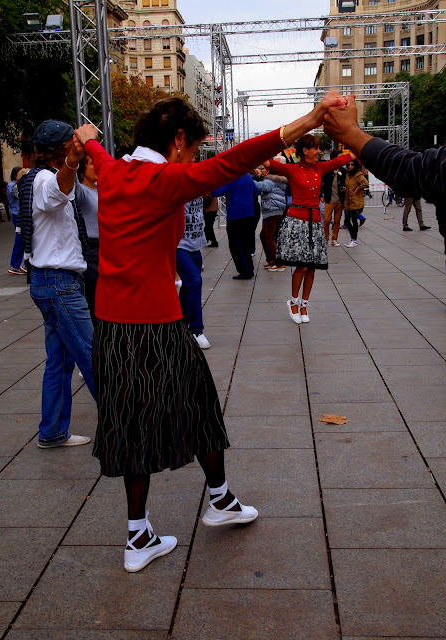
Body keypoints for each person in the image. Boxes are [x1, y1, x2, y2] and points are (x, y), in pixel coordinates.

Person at [73, 91, 348, 572]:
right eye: (194, 147)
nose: (195, 156)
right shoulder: (164, 178)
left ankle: (141, 534)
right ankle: (217, 503)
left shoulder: (114, 169)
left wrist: (89, 139)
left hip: (112, 326)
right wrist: (307, 120)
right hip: (157, 325)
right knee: (199, 407)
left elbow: (94, 147)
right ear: (178, 139)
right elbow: (234, 161)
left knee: (127, 426)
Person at [17, 119, 95, 449]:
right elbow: (57, 192)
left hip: (50, 281)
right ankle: (129, 427)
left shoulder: (38, 178)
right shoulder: (45, 179)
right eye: (72, 145)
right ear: (63, 149)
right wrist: (75, 160)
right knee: (93, 357)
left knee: (60, 362)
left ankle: (52, 431)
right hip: (58, 283)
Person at [323, 95, 443, 250]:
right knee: (332, 220)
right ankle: (405, 223)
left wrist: (350, 134)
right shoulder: (337, 171)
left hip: (348, 201)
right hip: (338, 201)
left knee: (346, 219)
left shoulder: (351, 172)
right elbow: (415, 169)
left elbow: (412, 169)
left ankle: (346, 236)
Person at [266, 134, 352, 324]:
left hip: (315, 223)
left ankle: (305, 304)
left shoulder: (320, 168)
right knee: (302, 265)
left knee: (312, 267)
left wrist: (361, 147)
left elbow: (344, 158)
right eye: (316, 148)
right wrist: (272, 143)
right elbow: (267, 163)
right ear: (305, 151)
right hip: (297, 222)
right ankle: (294, 301)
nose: (319, 152)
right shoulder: (292, 169)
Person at [176, 197, 210, 349]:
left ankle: (180, 326)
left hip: (195, 245)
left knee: (188, 286)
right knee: (195, 281)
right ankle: (196, 330)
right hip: (179, 245)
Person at [211, 174, 260, 279]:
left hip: (235, 215)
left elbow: (216, 192)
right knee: (246, 244)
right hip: (249, 213)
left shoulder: (231, 177)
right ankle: (249, 268)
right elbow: (256, 191)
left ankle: (244, 270)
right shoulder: (247, 176)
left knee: (236, 245)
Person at [76, 154, 100, 319]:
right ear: (83, 170)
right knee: (95, 294)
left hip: (105, 247)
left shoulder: (98, 188)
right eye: (92, 164)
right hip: (91, 249)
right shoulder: (82, 191)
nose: (96, 167)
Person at [256, 160, 288, 271]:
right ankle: (271, 260)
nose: (261, 171)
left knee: (269, 237)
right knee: (263, 235)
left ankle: (278, 263)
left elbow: (262, 187)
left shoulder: (269, 180)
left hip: (273, 210)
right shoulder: (275, 181)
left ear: (269, 171)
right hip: (275, 210)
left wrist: (248, 181)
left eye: (263, 169)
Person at [321, 149, 346, 247]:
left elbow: (344, 183)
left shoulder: (343, 171)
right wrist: (321, 195)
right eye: (339, 157)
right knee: (326, 220)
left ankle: (334, 239)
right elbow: (322, 183)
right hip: (329, 199)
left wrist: (344, 188)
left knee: (337, 221)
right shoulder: (328, 169)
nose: (341, 159)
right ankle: (326, 238)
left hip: (339, 199)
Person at [343, 158, 369, 248]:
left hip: (355, 200)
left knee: (354, 220)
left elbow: (365, 183)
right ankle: (352, 238)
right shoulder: (348, 174)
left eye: (352, 164)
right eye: (348, 165)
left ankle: (354, 239)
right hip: (348, 200)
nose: (350, 166)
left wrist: (357, 189)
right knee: (347, 220)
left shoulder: (358, 174)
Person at [7, 166, 27, 275]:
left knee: (22, 239)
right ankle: (15, 264)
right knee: (21, 239)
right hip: (18, 215)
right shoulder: (13, 186)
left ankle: (20, 264)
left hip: (19, 214)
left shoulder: (14, 185)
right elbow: (20, 196)